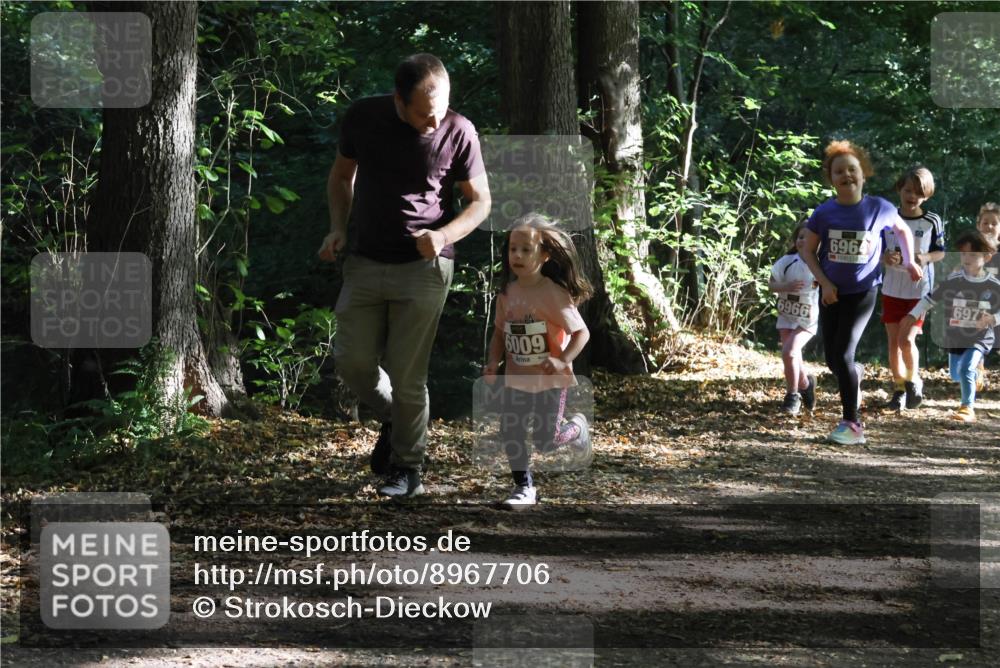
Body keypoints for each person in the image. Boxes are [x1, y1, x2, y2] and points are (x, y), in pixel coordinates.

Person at [318, 54, 491, 498]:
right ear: (398, 99)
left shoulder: (459, 130)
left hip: (425, 268)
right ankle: (397, 417)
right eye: (423, 114)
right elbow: (341, 175)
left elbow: (480, 202)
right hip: (366, 260)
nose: (434, 122)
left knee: (408, 372)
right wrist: (338, 227)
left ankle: (406, 468)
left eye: (440, 110)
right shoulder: (364, 116)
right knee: (352, 361)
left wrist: (445, 234)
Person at [799, 140, 923, 445]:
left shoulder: (879, 207)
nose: (846, 176)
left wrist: (908, 262)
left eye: (852, 169)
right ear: (831, 178)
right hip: (831, 293)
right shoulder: (825, 212)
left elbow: (903, 230)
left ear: (863, 174)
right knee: (833, 360)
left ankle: (852, 424)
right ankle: (855, 372)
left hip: (863, 291)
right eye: (839, 171)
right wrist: (824, 283)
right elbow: (807, 249)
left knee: (842, 354)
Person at [483, 213, 591, 508]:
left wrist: (563, 360)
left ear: (544, 255)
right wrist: (493, 363)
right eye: (512, 249)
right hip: (517, 378)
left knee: (547, 439)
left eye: (525, 250)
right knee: (511, 430)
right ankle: (523, 487)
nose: (516, 255)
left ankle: (577, 428)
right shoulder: (507, 292)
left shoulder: (553, 294)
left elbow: (582, 333)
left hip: (549, 381)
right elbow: (499, 334)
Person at [900, 231, 1000, 422]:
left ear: (987, 257)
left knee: (965, 370)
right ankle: (975, 374)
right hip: (956, 337)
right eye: (963, 254)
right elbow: (929, 299)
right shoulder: (953, 281)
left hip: (980, 337)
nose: (967, 258)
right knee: (956, 374)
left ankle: (967, 407)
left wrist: (992, 319)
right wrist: (912, 315)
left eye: (973, 254)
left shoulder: (994, 285)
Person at [880, 167, 945, 411]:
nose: (912, 196)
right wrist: (885, 258)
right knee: (893, 343)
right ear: (900, 189)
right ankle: (898, 389)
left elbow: (941, 252)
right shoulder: (887, 218)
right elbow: (874, 251)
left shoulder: (932, 220)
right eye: (908, 190)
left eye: (919, 193)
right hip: (892, 289)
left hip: (920, 291)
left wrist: (925, 257)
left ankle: (913, 381)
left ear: (926, 196)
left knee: (907, 340)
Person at [768, 223, 819, 415]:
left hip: (808, 319)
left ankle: (792, 396)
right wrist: (786, 287)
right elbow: (771, 285)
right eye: (799, 237)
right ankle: (806, 384)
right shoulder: (787, 260)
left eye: (807, 237)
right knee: (793, 356)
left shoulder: (821, 263)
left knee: (789, 352)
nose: (802, 241)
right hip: (787, 315)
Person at [976, 202, 1000, 390]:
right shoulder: (972, 250)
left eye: (994, 223)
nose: (989, 226)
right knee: (976, 341)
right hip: (979, 306)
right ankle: (977, 375)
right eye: (985, 222)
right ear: (979, 225)